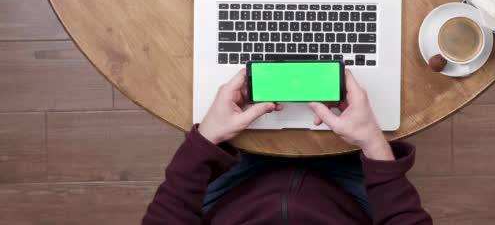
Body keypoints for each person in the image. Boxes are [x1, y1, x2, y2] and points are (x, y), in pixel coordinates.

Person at [142, 69, 432, 224]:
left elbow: (167, 217)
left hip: (230, 188)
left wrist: (207, 139)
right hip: (350, 191)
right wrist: (372, 142)